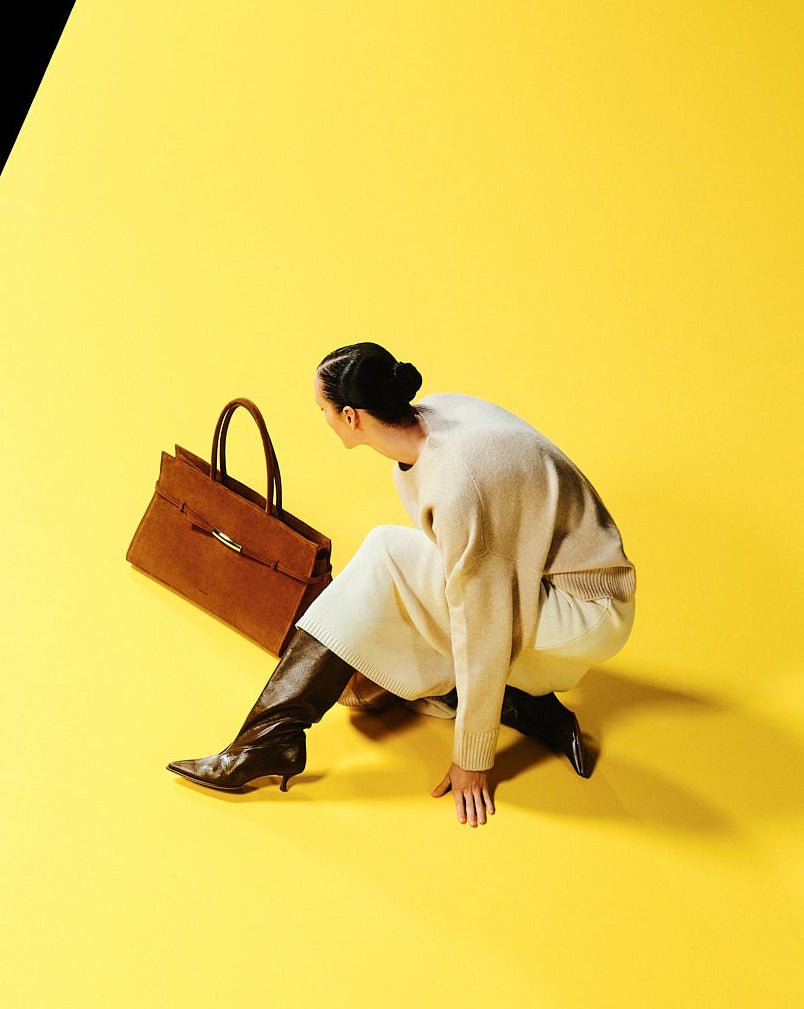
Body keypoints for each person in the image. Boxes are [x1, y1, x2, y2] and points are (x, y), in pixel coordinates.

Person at [168, 343, 636, 826]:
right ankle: (521, 703)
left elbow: (484, 621)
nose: (322, 419)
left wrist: (472, 758)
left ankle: (263, 743)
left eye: (322, 409)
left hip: (587, 608)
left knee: (386, 557)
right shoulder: (438, 419)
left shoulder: (456, 483)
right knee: (394, 570)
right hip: (539, 574)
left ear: (351, 417)